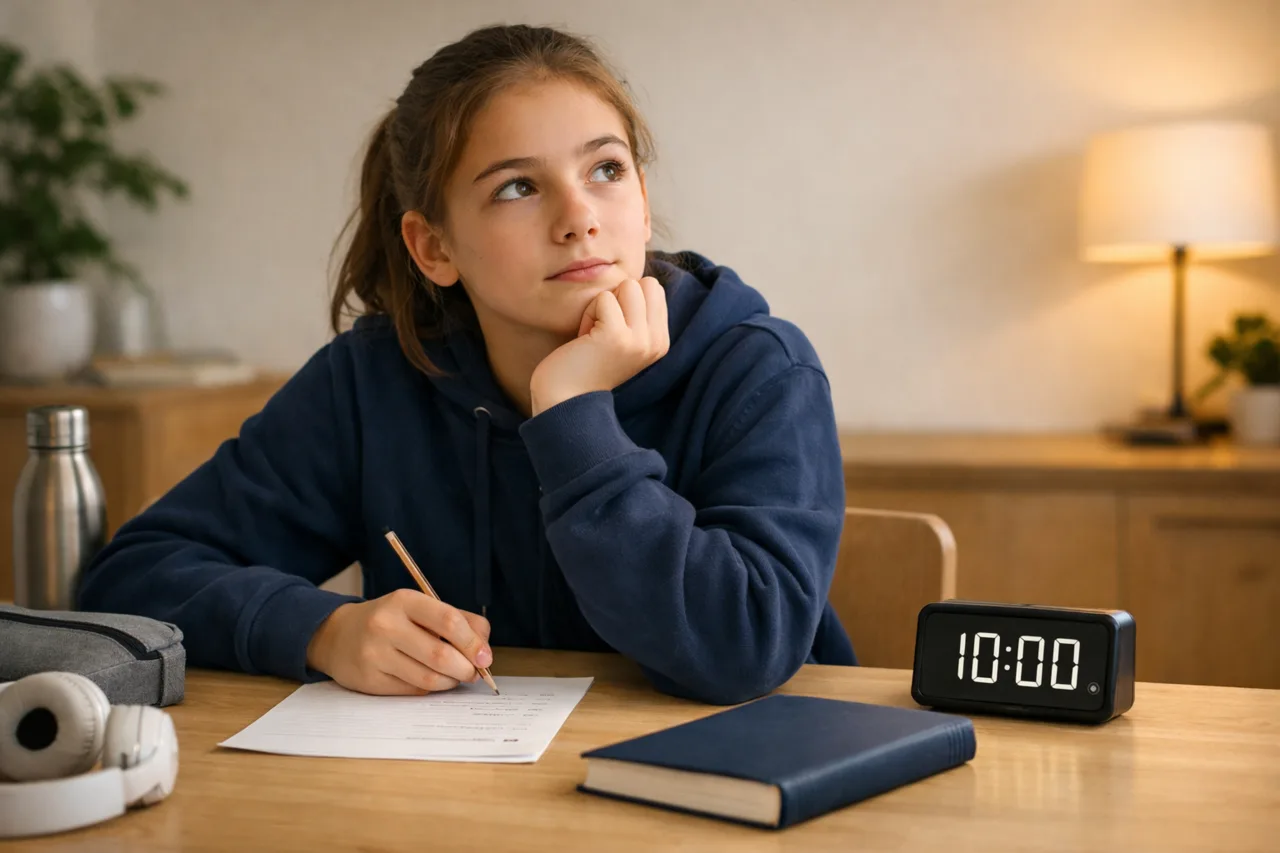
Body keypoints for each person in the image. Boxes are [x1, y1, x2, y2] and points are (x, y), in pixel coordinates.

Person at [77, 23, 855, 706]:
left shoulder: (759, 370)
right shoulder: (373, 381)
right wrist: (321, 629)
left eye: (606, 170)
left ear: (643, 201)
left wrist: (574, 417)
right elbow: (135, 577)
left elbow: (746, 649)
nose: (580, 216)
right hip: (463, 805)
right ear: (433, 247)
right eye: (518, 187)